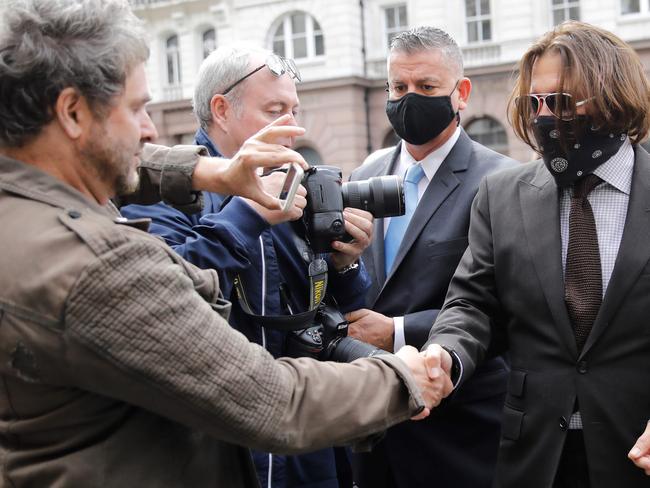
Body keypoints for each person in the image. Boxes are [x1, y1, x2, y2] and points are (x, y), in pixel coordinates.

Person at [0, 1, 456, 487]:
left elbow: (327, 313)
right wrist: (403, 378)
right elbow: (270, 403)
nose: (151, 130)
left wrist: (342, 266)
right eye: (136, 109)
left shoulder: (21, 212)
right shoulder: (94, 263)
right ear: (72, 111)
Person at [122, 44, 375, 488]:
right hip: (218, 444)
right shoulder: (168, 194)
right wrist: (247, 216)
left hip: (307, 440)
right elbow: (162, 288)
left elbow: (341, 312)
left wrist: (346, 263)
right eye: (275, 110)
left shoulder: (296, 186)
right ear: (221, 109)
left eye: (295, 109)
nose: (292, 127)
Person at [426, 21, 650, 487]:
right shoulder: (501, 194)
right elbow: (472, 303)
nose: (546, 116)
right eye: (536, 103)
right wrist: (445, 354)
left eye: (562, 102)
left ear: (614, 97)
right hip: (535, 458)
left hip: (637, 451)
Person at [345, 26, 516, 488]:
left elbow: (506, 304)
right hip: (373, 427)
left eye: (426, 87)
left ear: (460, 93)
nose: (409, 99)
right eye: (398, 88)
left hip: (460, 432)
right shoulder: (366, 174)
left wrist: (398, 331)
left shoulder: (502, 182)